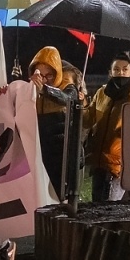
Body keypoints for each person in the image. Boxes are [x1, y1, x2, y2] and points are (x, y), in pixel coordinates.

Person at [82, 54, 130, 202]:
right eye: (116, 69)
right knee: (97, 205)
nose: (121, 73)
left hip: (119, 165)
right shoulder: (102, 93)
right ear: (110, 72)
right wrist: (82, 102)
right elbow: (87, 120)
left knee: (108, 208)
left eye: (125, 69)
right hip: (99, 161)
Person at [27, 46, 85, 200]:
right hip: (42, 154)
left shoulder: (67, 83)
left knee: (63, 201)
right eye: (40, 74)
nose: (44, 79)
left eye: (49, 75)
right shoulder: (31, 87)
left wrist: (45, 90)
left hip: (65, 157)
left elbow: (67, 98)